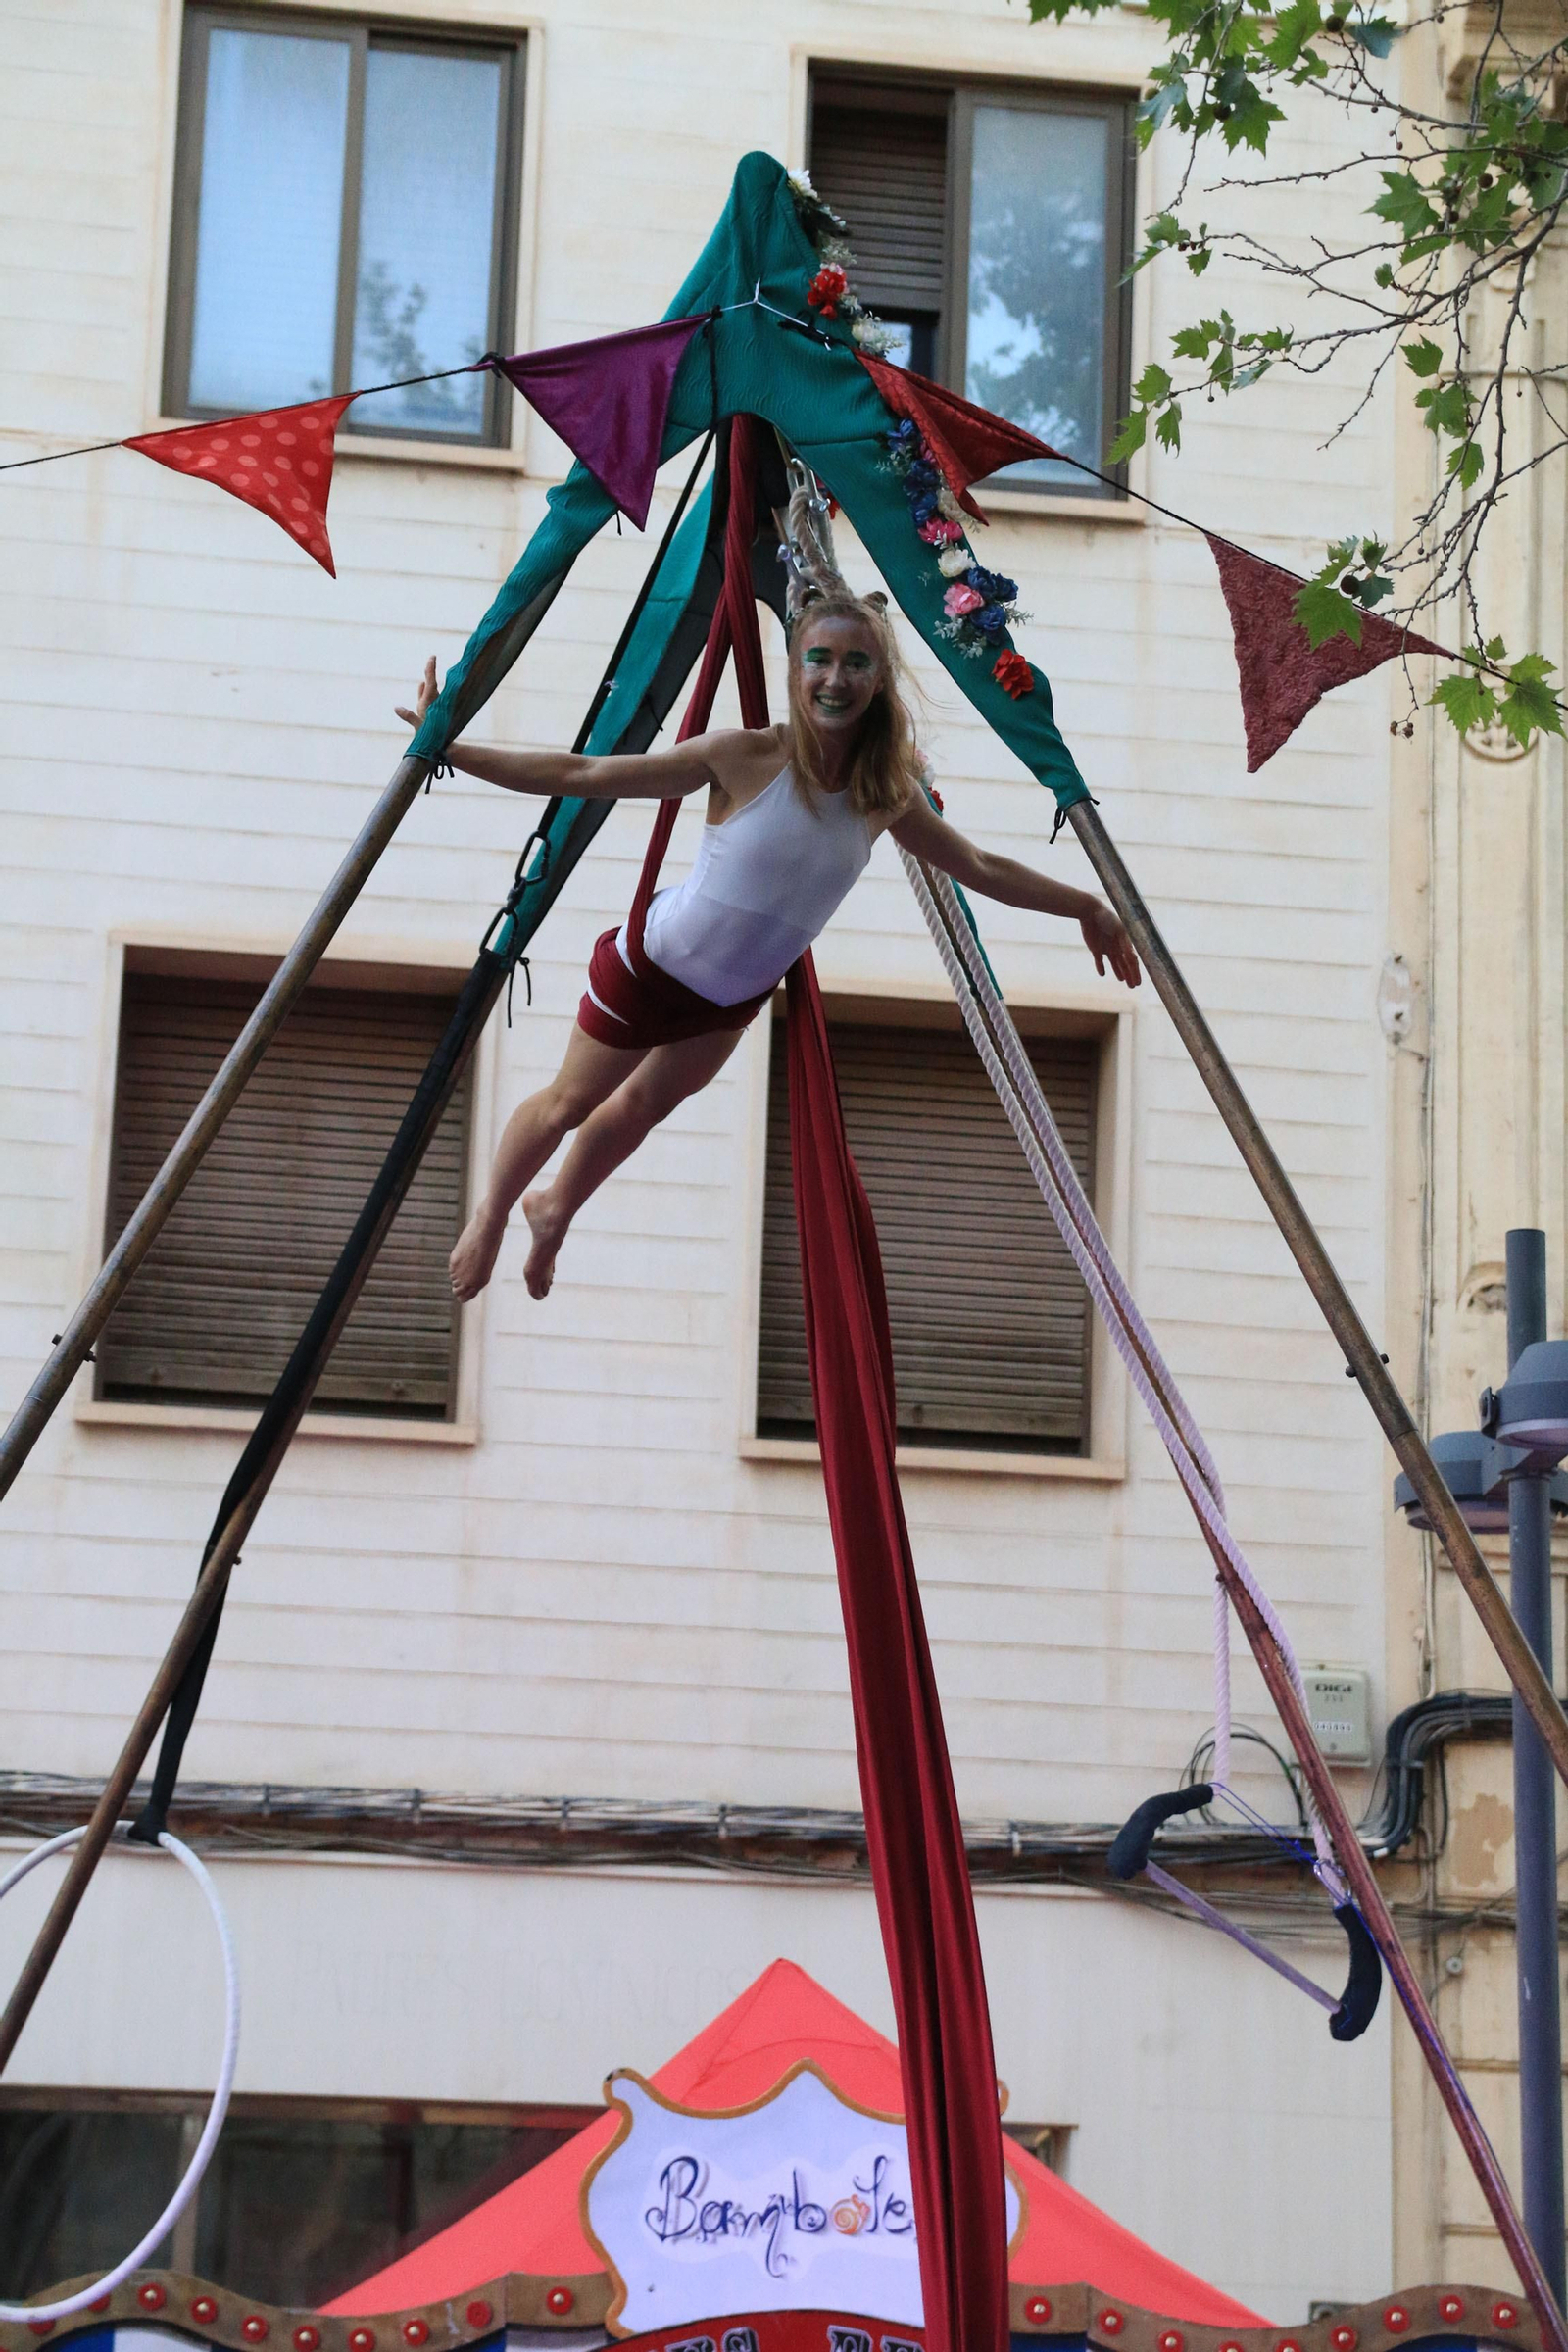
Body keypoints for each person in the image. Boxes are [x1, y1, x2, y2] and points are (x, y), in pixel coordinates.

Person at [397, 557, 1139, 1305]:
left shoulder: (885, 794)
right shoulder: (744, 755)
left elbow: (979, 864)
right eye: (819, 659)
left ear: (878, 681)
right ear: (794, 668)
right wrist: (449, 749)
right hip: (653, 966)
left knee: (645, 1107)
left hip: (731, 1000)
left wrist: (1086, 905)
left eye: (856, 664)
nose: (836, 679)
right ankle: (490, 1216)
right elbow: (585, 775)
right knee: (569, 1104)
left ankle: (555, 1207)